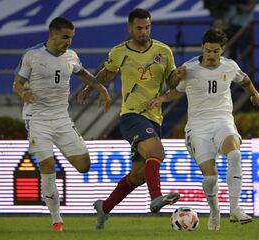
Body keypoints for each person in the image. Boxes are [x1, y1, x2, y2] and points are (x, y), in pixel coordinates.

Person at [78, 8, 186, 229]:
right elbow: (106, 73)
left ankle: (104, 208)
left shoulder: (163, 51)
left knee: (138, 176)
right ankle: (156, 198)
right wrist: (91, 89)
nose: (143, 31)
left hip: (154, 118)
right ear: (130, 28)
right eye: (139, 28)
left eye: (147, 27)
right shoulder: (119, 52)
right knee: (157, 153)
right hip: (131, 115)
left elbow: (172, 82)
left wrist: (179, 76)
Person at [149, 28, 259, 231]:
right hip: (197, 127)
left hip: (222, 120)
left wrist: (254, 93)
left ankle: (234, 208)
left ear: (223, 49)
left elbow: (244, 80)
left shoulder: (230, 66)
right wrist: (161, 99)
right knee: (211, 177)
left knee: (234, 155)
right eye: (208, 51)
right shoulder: (190, 68)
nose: (211, 55)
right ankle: (215, 212)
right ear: (202, 48)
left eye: (216, 51)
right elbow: (175, 90)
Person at [12, 16, 111, 232]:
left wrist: (100, 88)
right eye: (65, 37)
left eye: (72, 38)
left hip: (62, 119)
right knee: (48, 167)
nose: (69, 42)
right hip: (37, 118)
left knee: (84, 165)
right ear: (52, 34)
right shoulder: (33, 55)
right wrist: (24, 93)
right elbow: (17, 83)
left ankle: (49, 181)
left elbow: (83, 74)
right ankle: (56, 218)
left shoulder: (71, 56)